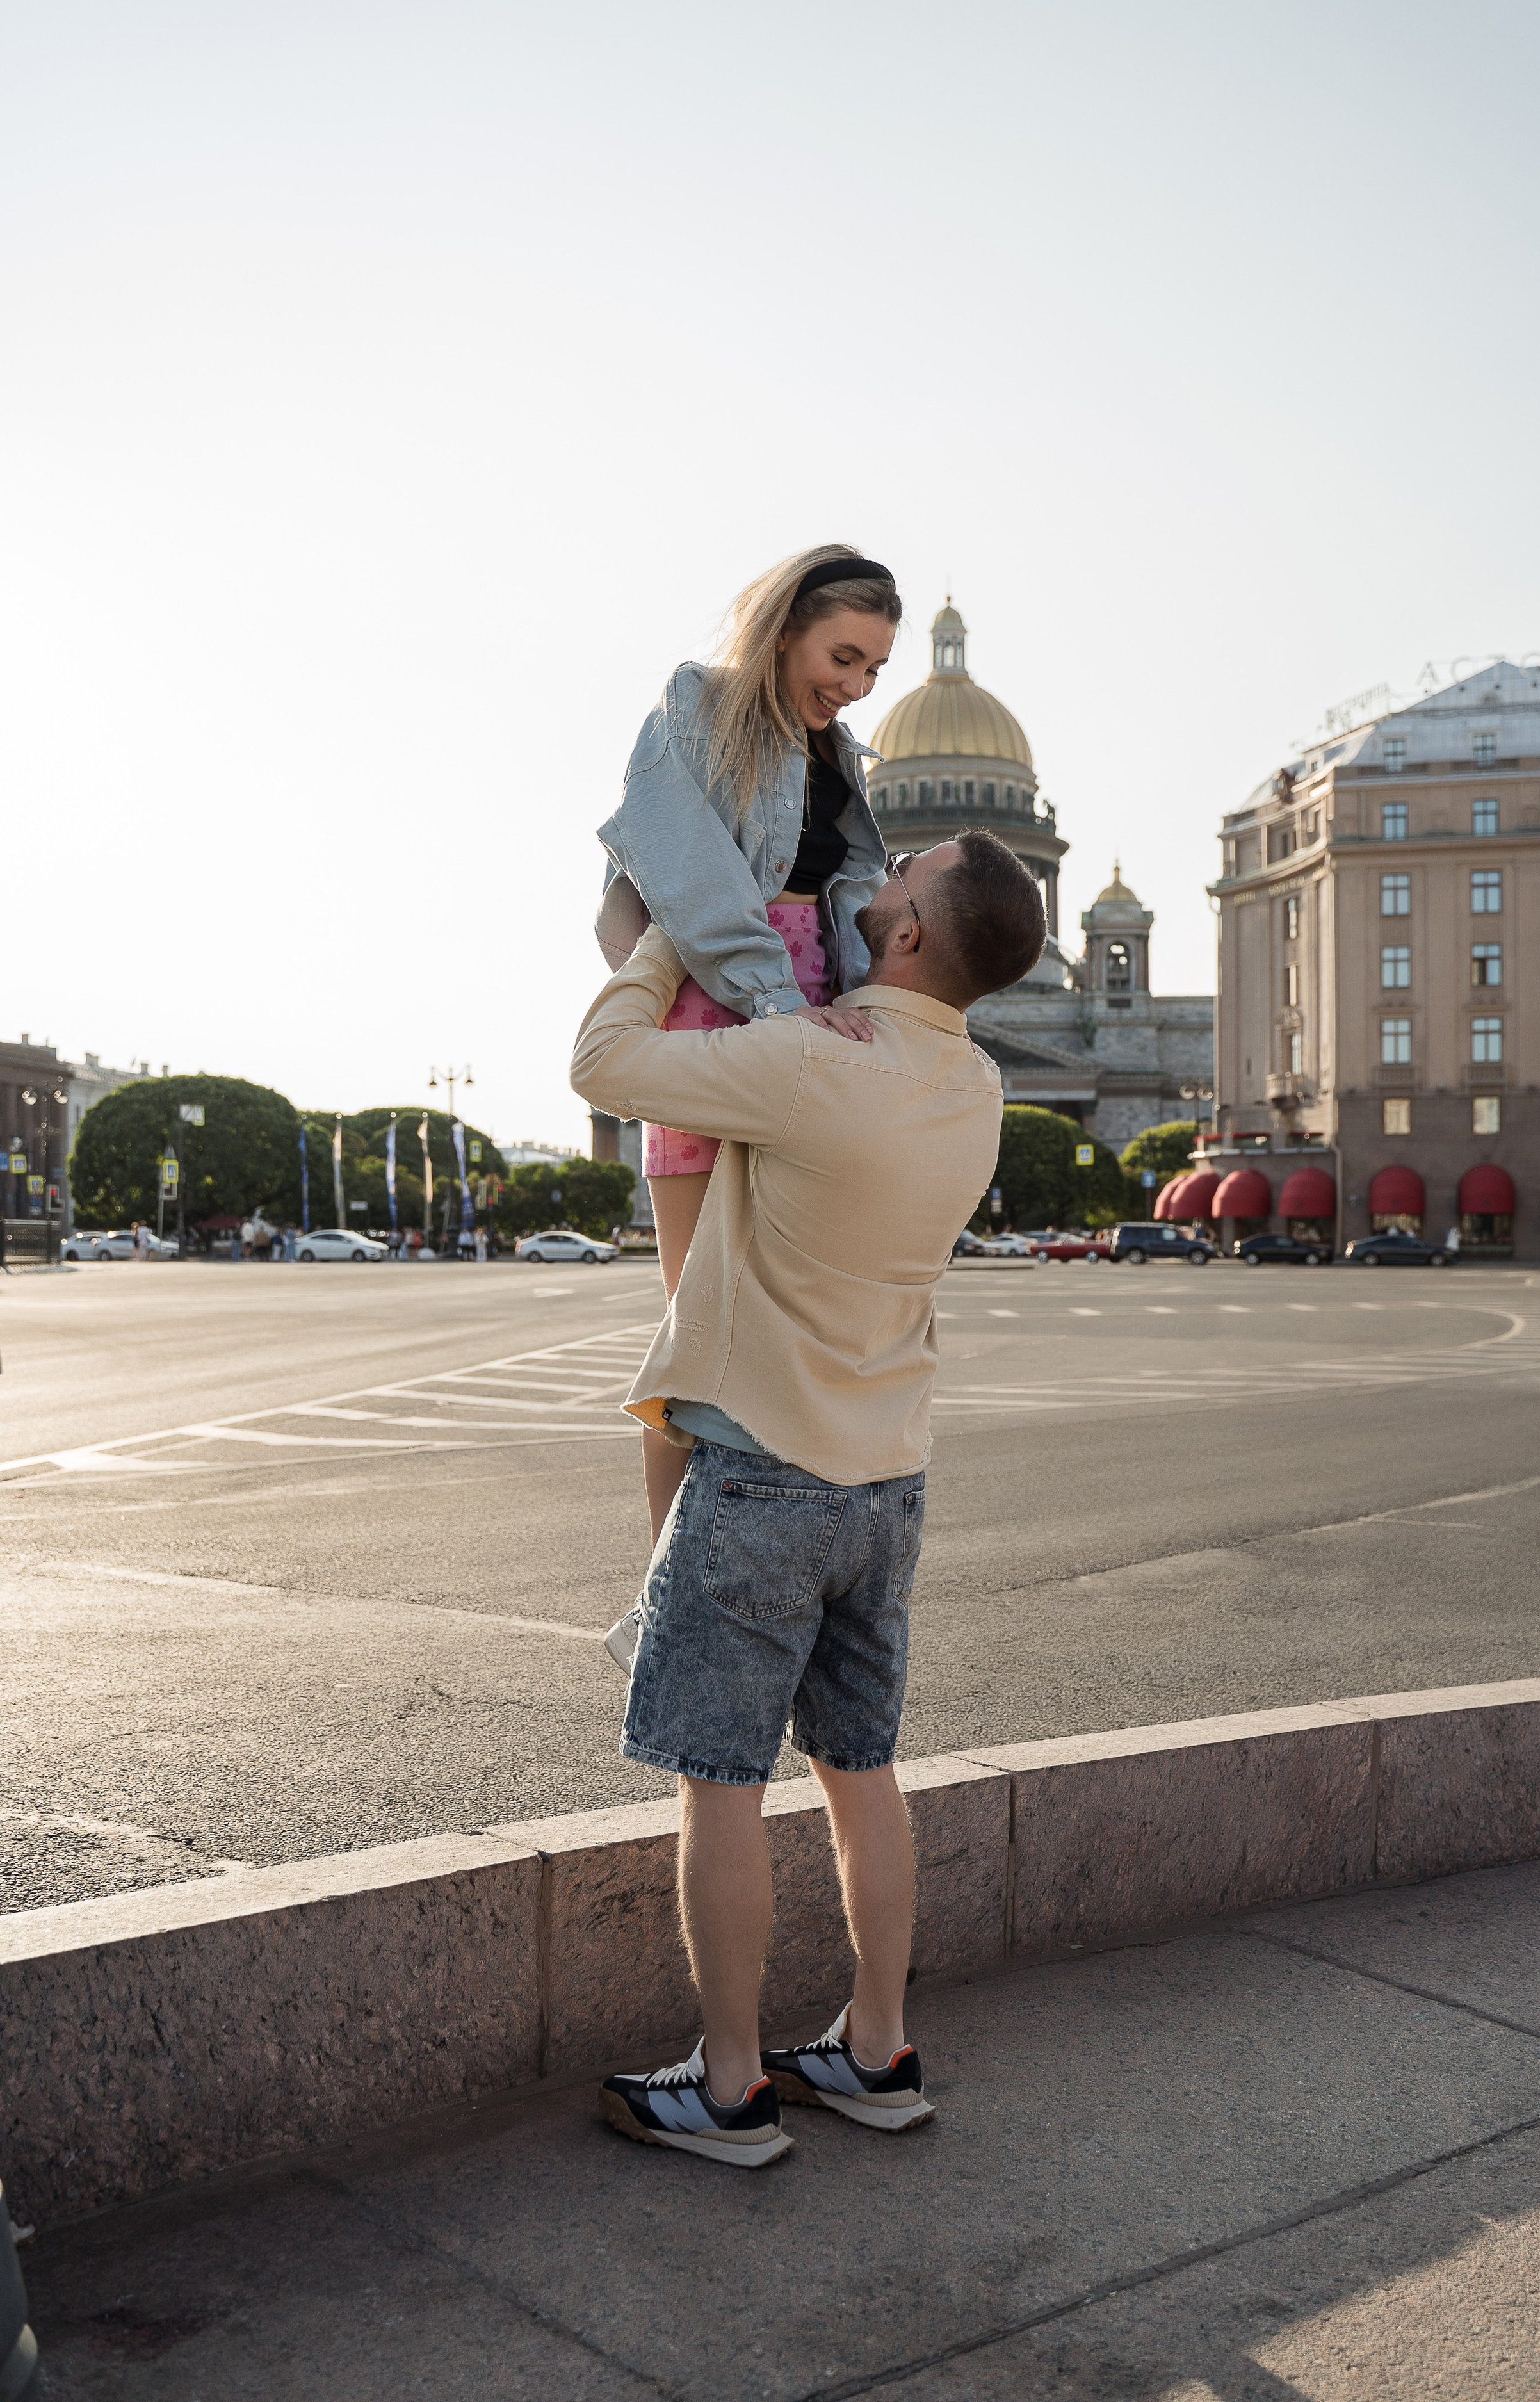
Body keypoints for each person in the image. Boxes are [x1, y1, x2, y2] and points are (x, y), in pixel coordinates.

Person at [571, 829, 1046, 2168]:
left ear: (903, 935)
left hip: (760, 1477)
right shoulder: (976, 1087)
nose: (871, 880)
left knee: (720, 1787)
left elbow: (601, 1066)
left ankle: (729, 2089)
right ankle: (875, 2050)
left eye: (897, 877)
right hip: (885, 1487)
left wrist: (682, 919)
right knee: (858, 1773)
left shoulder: (806, 1065)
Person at [597, 545, 899, 1555]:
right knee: (700, 1332)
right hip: (720, 1024)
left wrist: (874, 1021)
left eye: (872, 673)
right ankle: (663, 1592)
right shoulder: (697, 707)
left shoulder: (840, 756)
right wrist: (775, 1003)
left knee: (778, 1333)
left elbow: (858, 897)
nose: (854, 688)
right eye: (843, 657)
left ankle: (750, 1569)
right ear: (785, 629)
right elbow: (684, 877)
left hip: (812, 1028)